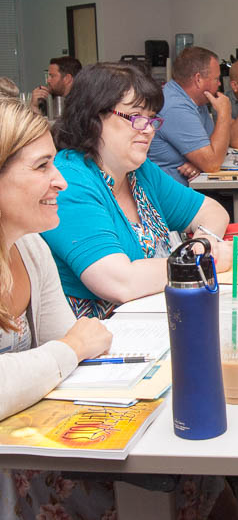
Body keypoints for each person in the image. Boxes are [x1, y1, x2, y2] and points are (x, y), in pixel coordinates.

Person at [0, 97, 119, 518]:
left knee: (194, 478)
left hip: (26, 446)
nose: (61, 181)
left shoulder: (30, 247)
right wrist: (69, 350)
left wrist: (72, 349)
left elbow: (74, 344)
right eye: (41, 167)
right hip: (14, 470)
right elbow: (71, 345)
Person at [42, 62, 231, 319]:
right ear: (94, 116)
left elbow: (213, 211)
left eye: (152, 119)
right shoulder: (69, 181)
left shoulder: (137, 171)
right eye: (137, 118)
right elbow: (120, 282)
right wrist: (202, 263)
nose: (150, 129)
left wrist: (202, 244)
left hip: (155, 321)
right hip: (102, 341)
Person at [147, 46, 232, 183]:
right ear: (198, 79)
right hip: (167, 197)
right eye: (216, 79)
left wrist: (200, 163)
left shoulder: (198, 100)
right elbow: (213, 163)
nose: (219, 83)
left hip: (190, 189)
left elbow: (216, 149)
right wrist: (224, 113)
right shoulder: (175, 107)